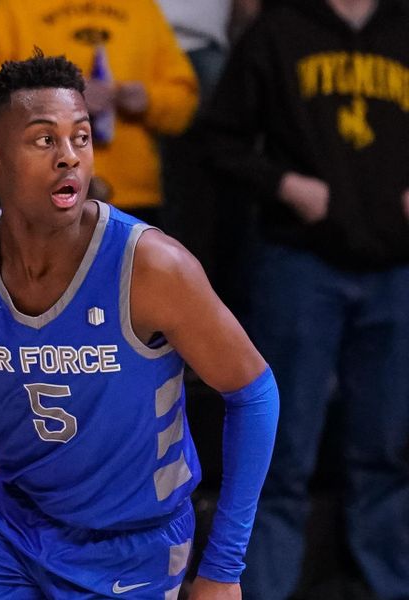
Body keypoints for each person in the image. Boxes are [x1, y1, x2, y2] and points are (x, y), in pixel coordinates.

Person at [0, 53, 279, 599]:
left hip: (135, 544)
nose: (69, 156)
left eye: (81, 137)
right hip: (16, 534)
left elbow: (254, 392)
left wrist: (224, 568)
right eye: (45, 140)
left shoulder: (153, 267)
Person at [199, 1, 409, 598]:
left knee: (387, 449)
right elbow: (220, 140)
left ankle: (391, 583)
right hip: (299, 265)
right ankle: (261, 588)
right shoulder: (279, 28)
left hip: (397, 267)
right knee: (279, 451)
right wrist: (286, 185)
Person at [0, 0, 198, 223]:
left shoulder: (142, 9)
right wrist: (59, 102)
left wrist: (149, 100)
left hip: (131, 198)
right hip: (38, 193)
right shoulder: (9, 9)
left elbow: (185, 101)